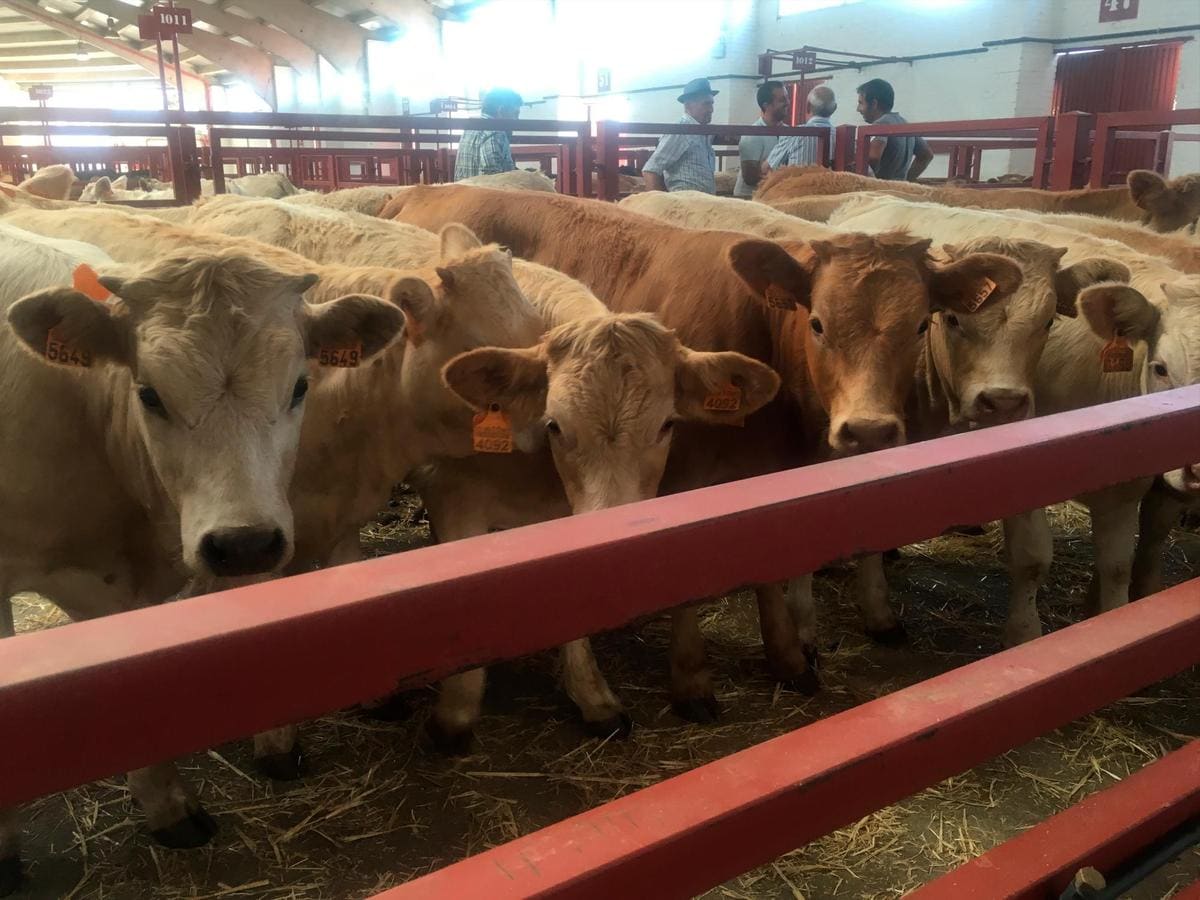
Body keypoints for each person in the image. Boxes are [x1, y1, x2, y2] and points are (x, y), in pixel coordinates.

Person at [643, 77, 718, 193]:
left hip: (701, 204)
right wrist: (663, 205)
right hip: (685, 204)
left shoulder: (702, 132)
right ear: (688, 106)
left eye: (712, 104)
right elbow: (651, 170)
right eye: (706, 104)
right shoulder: (680, 131)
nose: (711, 109)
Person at [855, 78, 932, 181]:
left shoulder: (881, 124)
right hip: (898, 190)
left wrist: (870, 179)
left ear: (874, 104)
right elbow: (926, 155)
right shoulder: (904, 123)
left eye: (861, 103)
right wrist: (907, 180)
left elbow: (873, 157)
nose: (858, 109)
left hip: (880, 192)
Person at [453, 87, 522, 181]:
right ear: (501, 110)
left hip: (463, 191)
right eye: (515, 114)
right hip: (484, 193)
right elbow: (492, 175)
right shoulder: (495, 132)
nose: (517, 119)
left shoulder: (471, 127)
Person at [765, 84, 837, 173]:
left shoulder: (794, 134)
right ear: (834, 108)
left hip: (798, 186)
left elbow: (768, 169)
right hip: (831, 186)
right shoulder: (842, 137)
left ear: (808, 106)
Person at [734, 80, 787, 198]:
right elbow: (750, 178)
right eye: (782, 100)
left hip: (772, 196)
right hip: (749, 199)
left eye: (787, 98)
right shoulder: (752, 134)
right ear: (766, 105)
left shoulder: (789, 133)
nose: (788, 103)